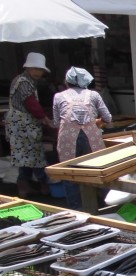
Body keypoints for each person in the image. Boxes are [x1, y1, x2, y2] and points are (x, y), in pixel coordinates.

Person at [52, 67, 112, 210]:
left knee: (69, 172)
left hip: (67, 138)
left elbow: (56, 122)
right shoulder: (94, 95)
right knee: (99, 170)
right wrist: (97, 121)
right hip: (91, 136)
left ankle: (76, 209)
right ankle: (107, 205)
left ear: (67, 82)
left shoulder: (58, 96)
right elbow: (108, 118)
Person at [5, 52, 54, 197]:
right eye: (35, 69)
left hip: (23, 124)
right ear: (28, 68)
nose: (38, 72)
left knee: (25, 157)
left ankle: (25, 185)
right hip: (22, 125)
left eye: (40, 70)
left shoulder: (28, 80)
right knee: (34, 155)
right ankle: (43, 184)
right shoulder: (23, 82)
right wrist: (45, 119)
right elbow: (31, 103)